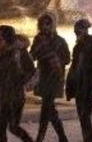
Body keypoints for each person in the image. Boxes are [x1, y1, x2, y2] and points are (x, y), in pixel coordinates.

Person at [30, 13, 71, 142]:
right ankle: (62, 137)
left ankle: (40, 138)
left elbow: (67, 58)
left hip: (55, 77)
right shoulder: (38, 39)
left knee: (46, 107)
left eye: (48, 23)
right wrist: (42, 52)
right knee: (49, 109)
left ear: (52, 25)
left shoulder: (60, 40)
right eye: (43, 24)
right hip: (44, 77)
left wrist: (56, 60)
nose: (45, 26)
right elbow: (32, 56)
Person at [66, 19, 92, 142]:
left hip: (90, 85)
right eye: (76, 31)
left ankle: (90, 139)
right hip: (80, 85)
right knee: (83, 116)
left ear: (85, 30)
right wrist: (70, 84)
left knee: (84, 115)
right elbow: (74, 66)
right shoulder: (78, 46)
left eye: (80, 30)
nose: (77, 33)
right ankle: (88, 139)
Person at [0, 25, 34, 142]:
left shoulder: (19, 52)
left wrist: (19, 81)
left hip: (14, 96)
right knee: (0, 129)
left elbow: (31, 70)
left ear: (7, 37)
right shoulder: (0, 51)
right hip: (1, 96)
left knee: (13, 127)